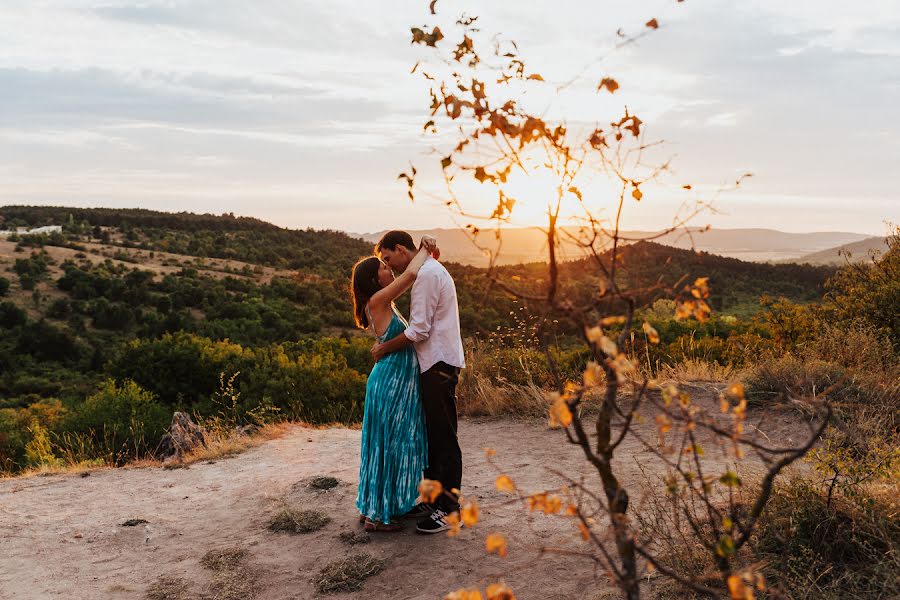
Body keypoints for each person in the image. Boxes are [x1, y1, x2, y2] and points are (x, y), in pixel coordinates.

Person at [372, 231, 466, 535]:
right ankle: (433, 501)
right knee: (431, 435)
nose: (389, 265)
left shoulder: (426, 275)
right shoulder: (428, 269)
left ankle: (449, 510)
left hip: (437, 363)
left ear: (400, 249)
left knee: (442, 436)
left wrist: (384, 348)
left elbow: (419, 331)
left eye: (388, 258)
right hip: (436, 362)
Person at [350, 236, 436, 532]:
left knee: (386, 445)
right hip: (391, 382)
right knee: (390, 445)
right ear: (375, 279)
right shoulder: (378, 300)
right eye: (383, 267)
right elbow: (412, 274)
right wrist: (425, 249)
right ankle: (378, 516)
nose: (389, 268)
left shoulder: (380, 302)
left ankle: (375, 507)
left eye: (387, 263)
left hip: (392, 380)